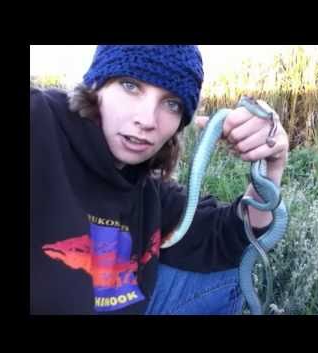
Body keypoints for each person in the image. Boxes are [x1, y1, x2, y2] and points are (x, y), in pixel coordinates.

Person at [30, 45, 289, 315]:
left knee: (225, 275)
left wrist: (270, 166)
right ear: (97, 85)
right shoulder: (40, 122)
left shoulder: (149, 187)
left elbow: (229, 239)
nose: (147, 119)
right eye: (130, 86)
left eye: (171, 103)